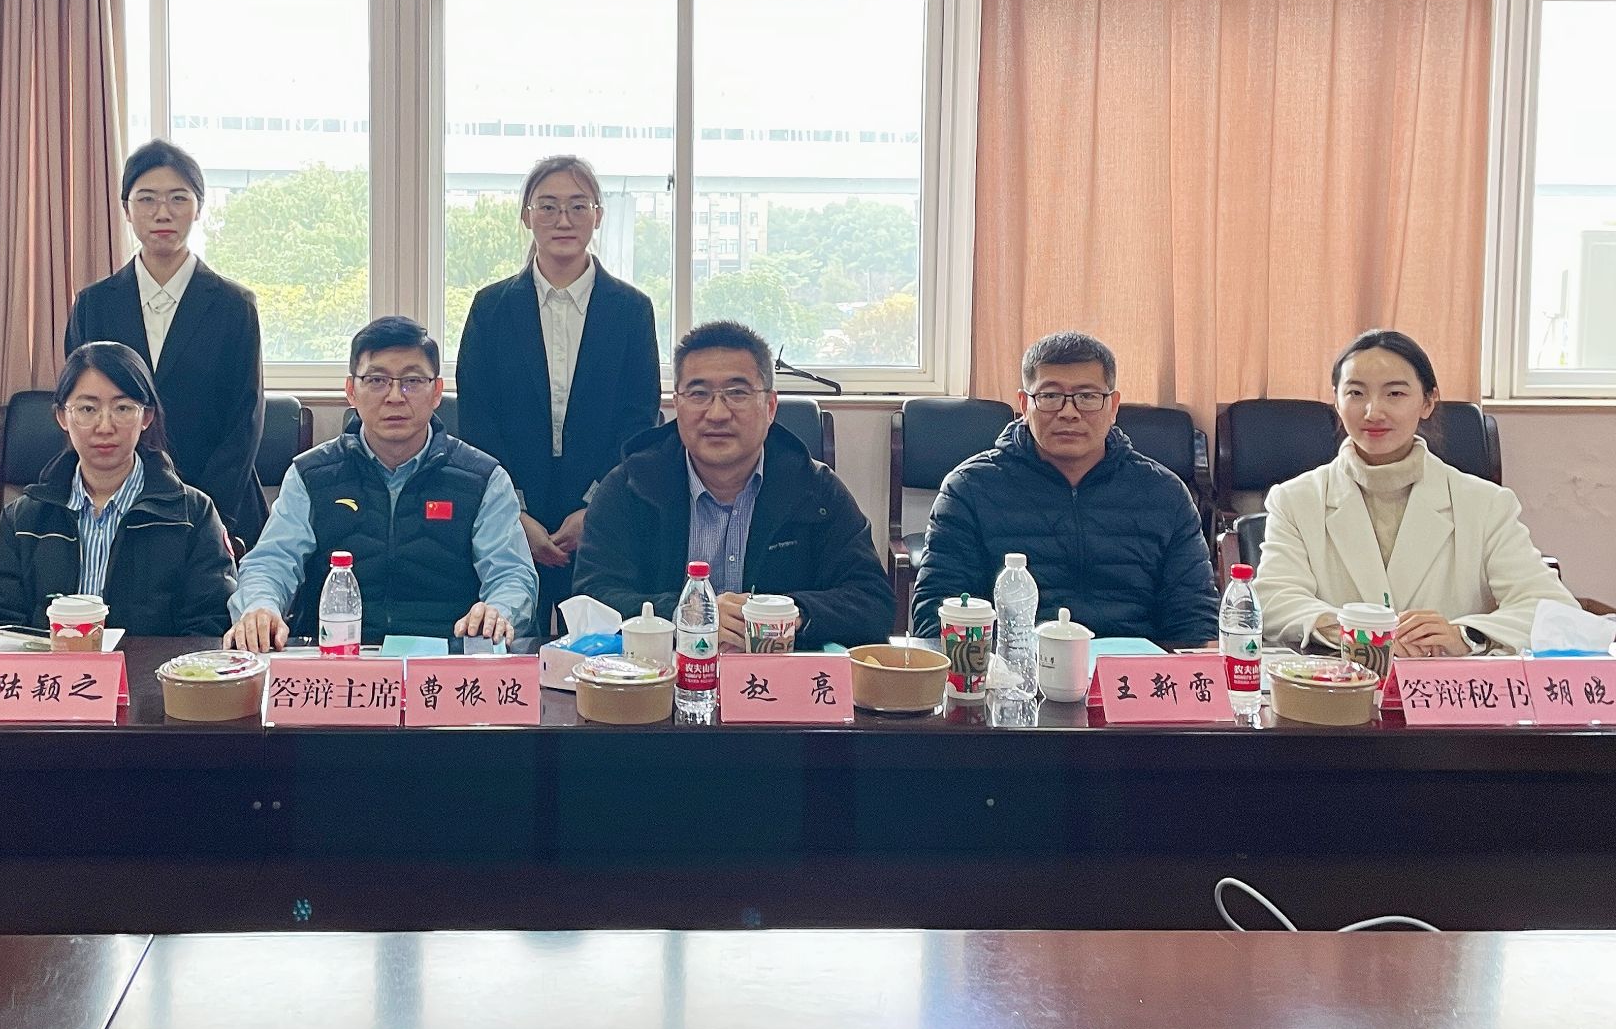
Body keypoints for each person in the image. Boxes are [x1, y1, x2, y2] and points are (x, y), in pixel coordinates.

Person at [572, 320, 894, 649]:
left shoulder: (815, 490)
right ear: (677, 405)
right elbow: (591, 598)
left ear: (770, 407)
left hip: (776, 676)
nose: (717, 413)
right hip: (661, 675)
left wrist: (788, 615)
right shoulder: (629, 487)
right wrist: (686, 614)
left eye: (737, 393)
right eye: (698, 394)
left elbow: (873, 603)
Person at [1254, 329, 1576, 656]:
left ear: (1427, 402)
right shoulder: (1295, 500)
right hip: (1336, 681)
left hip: (1444, 682)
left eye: (1395, 393)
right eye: (1356, 393)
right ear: (1336, 401)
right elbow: (1273, 599)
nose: (1373, 412)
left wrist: (1466, 635)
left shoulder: (1485, 504)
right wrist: (1356, 633)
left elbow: (1552, 609)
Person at [224, 316, 537, 651]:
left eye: (412, 381)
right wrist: (260, 607)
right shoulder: (311, 474)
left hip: (449, 658)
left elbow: (511, 574)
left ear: (436, 392)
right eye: (377, 380)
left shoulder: (483, 478)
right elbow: (271, 561)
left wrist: (498, 611)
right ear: (351, 391)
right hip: (335, 657)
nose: (395, 396)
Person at [455, 157, 661, 635]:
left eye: (577, 206)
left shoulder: (631, 309)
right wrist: (514, 513)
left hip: (602, 507)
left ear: (598, 215)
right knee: (508, 640)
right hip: (509, 505)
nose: (563, 220)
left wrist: (597, 506)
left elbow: (639, 419)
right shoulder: (491, 307)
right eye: (547, 206)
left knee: (598, 646)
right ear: (526, 216)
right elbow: (479, 418)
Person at [913, 330, 1216, 644]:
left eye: (1087, 396)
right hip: (1012, 666)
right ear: (1024, 404)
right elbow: (937, 616)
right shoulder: (969, 489)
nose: (1069, 412)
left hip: (1131, 666)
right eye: (1050, 396)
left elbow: (1195, 621)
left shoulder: (1164, 494)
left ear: (1113, 406)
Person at [65, 140, 268, 543]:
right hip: (116, 505)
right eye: (147, 199)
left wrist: (208, 515)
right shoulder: (95, 304)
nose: (162, 213)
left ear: (199, 207)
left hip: (219, 507)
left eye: (178, 198)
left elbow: (244, 421)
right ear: (126, 209)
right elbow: (82, 405)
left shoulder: (234, 306)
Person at [0, 342, 236, 637]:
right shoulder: (23, 519)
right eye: (87, 409)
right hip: (48, 667)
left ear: (146, 417)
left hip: (151, 668)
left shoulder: (193, 515)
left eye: (123, 408)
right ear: (62, 417)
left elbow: (210, 629)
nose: (105, 426)